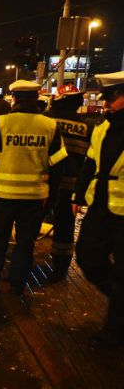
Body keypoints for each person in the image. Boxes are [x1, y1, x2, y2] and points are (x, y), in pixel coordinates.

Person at [0, 80, 67, 296]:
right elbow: (58, 166)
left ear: (14, 98)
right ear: (36, 98)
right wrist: (52, 198)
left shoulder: (3, 124)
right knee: (25, 243)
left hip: (3, 196)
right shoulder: (50, 126)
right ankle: (17, 284)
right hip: (34, 197)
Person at [74, 71, 124, 348]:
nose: (106, 104)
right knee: (87, 258)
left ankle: (114, 330)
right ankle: (119, 298)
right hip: (101, 207)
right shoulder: (103, 127)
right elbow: (90, 164)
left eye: (112, 97)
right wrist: (78, 195)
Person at [44, 84, 94, 283]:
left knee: (31, 222)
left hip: (44, 182)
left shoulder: (46, 119)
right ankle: (60, 268)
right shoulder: (87, 126)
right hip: (70, 186)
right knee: (65, 227)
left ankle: (22, 258)